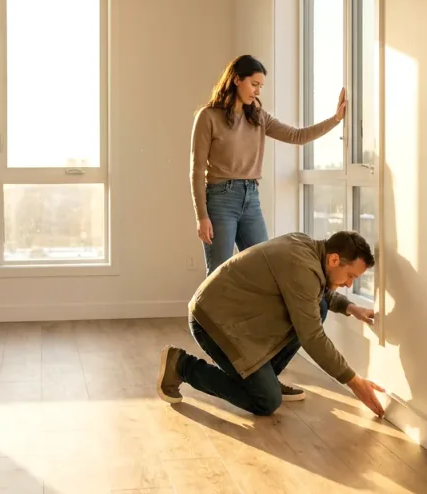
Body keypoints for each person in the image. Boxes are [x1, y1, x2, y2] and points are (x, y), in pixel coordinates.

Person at [156, 230, 387, 418]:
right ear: (334, 259)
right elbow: (312, 337)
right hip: (213, 321)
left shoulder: (308, 250)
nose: (348, 284)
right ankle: (182, 365)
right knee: (266, 401)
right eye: (350, 276)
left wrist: (350, 308)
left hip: (233, 315)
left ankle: (266, 380)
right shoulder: (301, 266)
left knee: (319, 308)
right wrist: (354, 381)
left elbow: (314, 293)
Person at [190, 54, 346, 276]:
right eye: (254, 84)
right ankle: (203, 313)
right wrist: (202, 216)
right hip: (220, 199)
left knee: (265, 267)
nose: (257, 91)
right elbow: (196, 171)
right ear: (236, 80)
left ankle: (252, 312)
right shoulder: (208, 116)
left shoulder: (258, 117)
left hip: (251, 198)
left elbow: (297, 136)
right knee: (218, 274)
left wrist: (335, 119)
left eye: (260, 86)